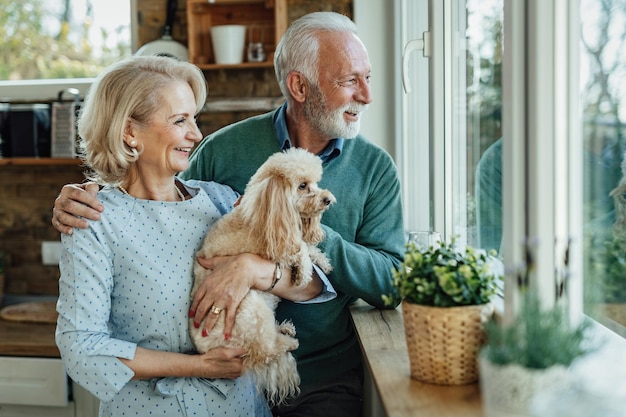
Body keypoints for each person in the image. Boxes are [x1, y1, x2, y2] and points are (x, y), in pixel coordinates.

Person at [52, 12, 405, 417]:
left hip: (309, 379)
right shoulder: (217, 160)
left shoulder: (219, 199)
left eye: (368, 78)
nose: (366, 95)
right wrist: (82, 196)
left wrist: (264, 264)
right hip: (193, 396)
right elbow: (83, 343)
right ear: (299, 85)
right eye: (349, 80)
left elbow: (346, 281)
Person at [54, 55, 330, 417]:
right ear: (129, 131)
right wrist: (198, 367)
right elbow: (81, 347)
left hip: (242, 408)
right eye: (179, 120)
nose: (196, 134)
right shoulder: (93, 220)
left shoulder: (220, 200)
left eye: (194, 119)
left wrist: (250, 268)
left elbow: (313, 286)